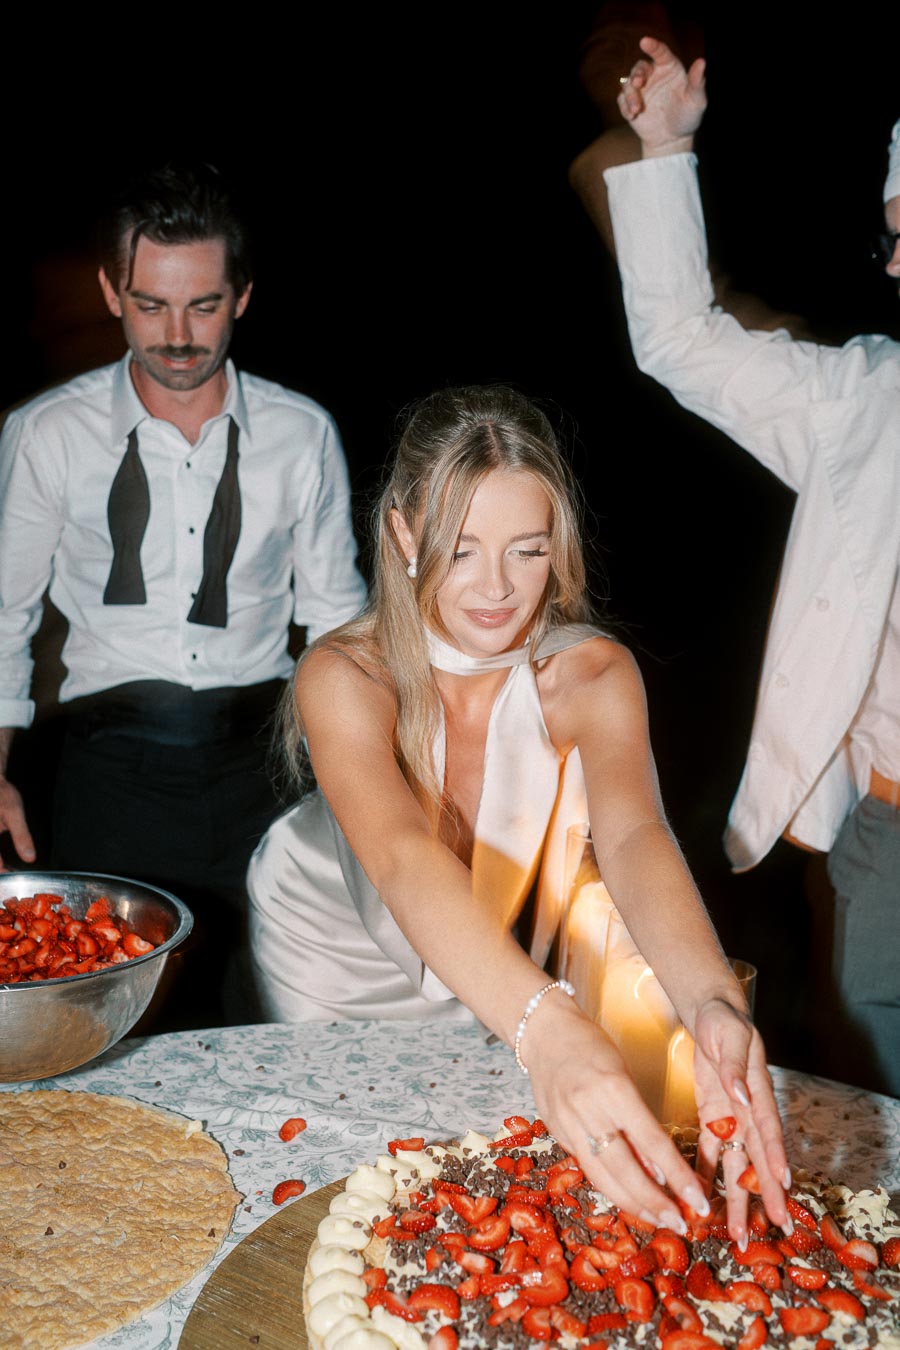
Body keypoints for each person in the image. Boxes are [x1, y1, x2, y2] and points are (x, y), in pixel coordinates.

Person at [248, 385, 790, 1237]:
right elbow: (397, 857)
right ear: (401, 532)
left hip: (501, 960)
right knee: (341, 1189)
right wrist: (545, 1024)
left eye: (527, 550)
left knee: (473, 1196)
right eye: (460, 550)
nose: (497, 589)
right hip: (335, 947)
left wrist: (711, 1001)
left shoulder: (595, 677)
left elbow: (637, 838)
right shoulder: (345, 675)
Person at [0, 163, 366, 1024]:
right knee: (115, 1027)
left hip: (265, 766)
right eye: (150, 303)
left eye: (202, 304)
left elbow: (339, 620)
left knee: (276, 1015)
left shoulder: (302, 433)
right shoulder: (48, 433)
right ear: (110, 292)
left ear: (241, 295)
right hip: (109, 772)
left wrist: (368, 775)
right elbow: (5, 616)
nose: (176, 334)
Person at [606, 39, 900, 1096]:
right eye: (894, 236)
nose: (897, 264)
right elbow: (680, 340)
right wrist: (663, 148)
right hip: (890, 838)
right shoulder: (860, 398)